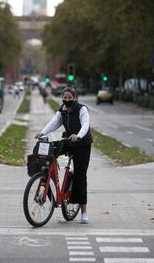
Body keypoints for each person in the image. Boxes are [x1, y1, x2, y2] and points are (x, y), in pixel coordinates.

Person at [35, 87, 92, 224]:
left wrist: (78, 136)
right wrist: (42, 133)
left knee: (80, 175)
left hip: (82, 143)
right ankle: (50, 186)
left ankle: (83, 212)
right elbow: (54, 122)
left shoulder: (82, 109)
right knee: (48, 154)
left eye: (69, 98)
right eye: (64, 98)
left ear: (75, 98)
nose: (67, 100)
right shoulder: (62, 111)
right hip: (68, 141)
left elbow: (85, 125)